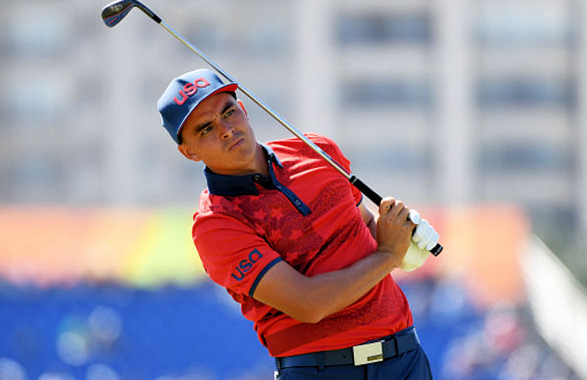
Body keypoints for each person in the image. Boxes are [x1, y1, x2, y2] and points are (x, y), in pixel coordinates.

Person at [157, 68, 440, 379]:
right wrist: (388, 255)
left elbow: (367, 231)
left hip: (405, 359)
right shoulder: (215, 224)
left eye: (229, 112)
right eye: (206, 128)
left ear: (244, 110)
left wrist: (402, 237)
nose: (226, 129)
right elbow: (309, 304)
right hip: (320, 371)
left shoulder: (317, 151)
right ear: (189, 152)